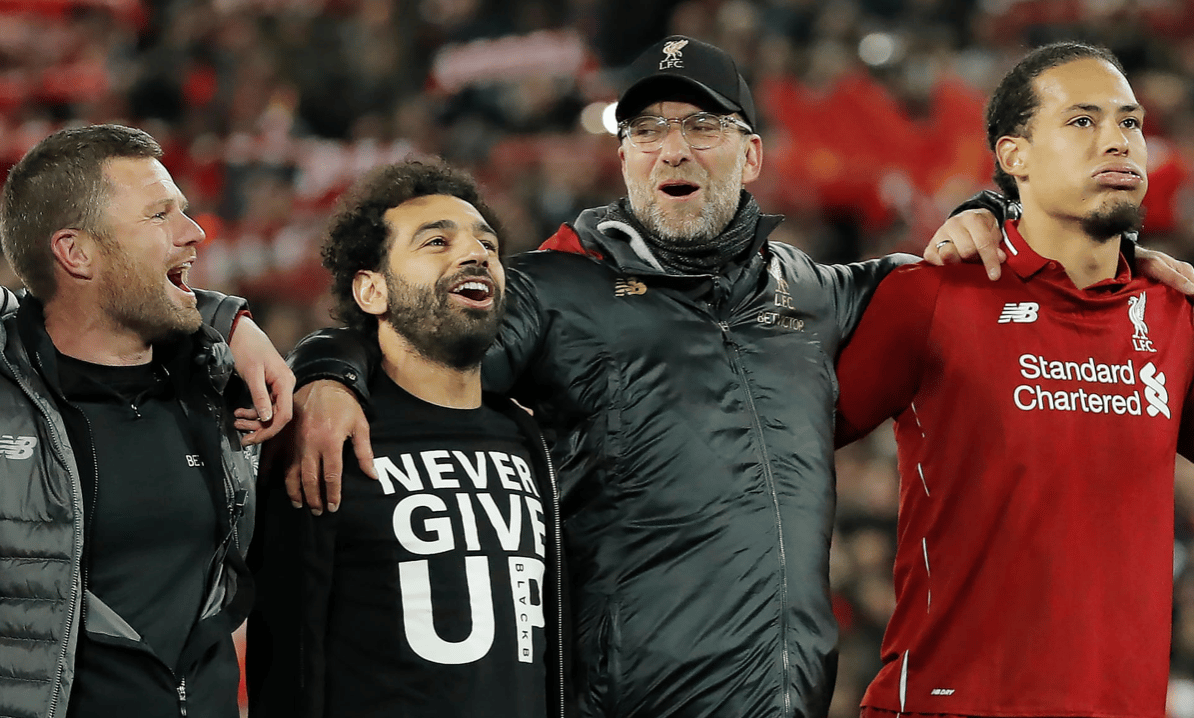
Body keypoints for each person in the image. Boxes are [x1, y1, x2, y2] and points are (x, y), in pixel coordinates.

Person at [279, 37, 1194, 718]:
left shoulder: (815, 295)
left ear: (751, 155)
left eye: (702, 127)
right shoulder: (558, 288)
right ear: (624, 158)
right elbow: (428, 331)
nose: (672, 149)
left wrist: (995, 208)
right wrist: (327, 368)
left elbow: (967, 273)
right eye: (647, 131)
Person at [834, 42, 1194, 718]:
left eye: (1130, 122)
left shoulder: (1176, 315)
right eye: (1082, 121)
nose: (1118, 141)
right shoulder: (933, 296)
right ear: (1014, 155)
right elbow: (777, 451)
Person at [246, 160, 564, 718]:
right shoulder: (328, 431)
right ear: (372, 290)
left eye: (487, 244)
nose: (475, 253)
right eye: (436, 241)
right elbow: (288, 649)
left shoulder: (527, 438)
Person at [0, 123, 293, 718]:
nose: (195, 232)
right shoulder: (13, 396)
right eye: (160, 215)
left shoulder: (218, 384)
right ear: (76, 253)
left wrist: (231, 320)